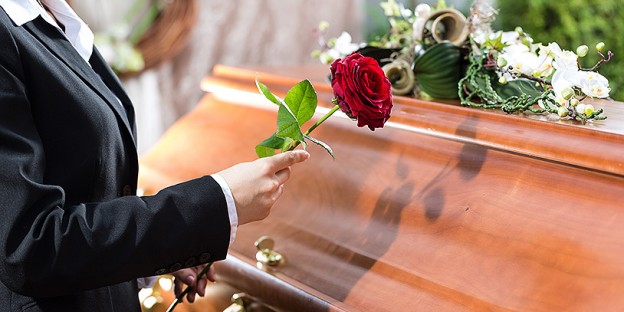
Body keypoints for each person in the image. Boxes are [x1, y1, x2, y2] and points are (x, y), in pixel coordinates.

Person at [0, 0, 309, 310]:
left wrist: (157, 252)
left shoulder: (51, 15)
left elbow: (85, 191)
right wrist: (217, 201)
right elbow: (28, 248)